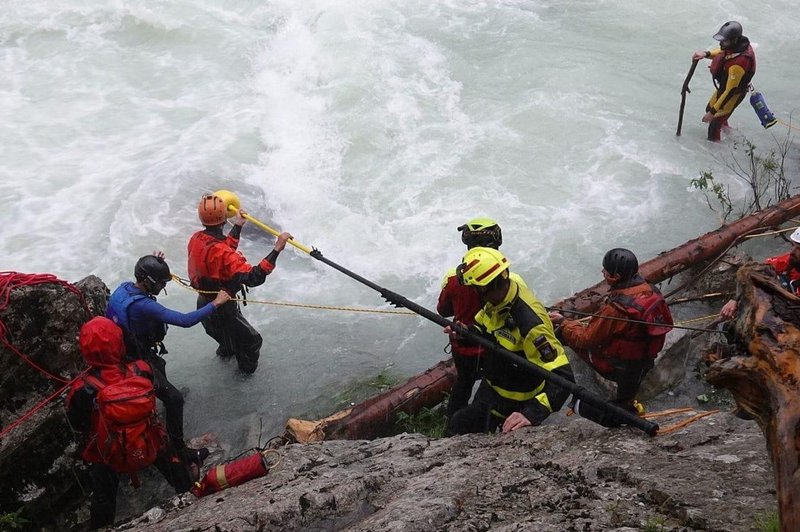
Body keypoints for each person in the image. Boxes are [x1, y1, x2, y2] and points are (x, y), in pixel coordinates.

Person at [66, 317, 195, 529]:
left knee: (102, 495)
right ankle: (193, 492)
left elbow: (78, 424)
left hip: (108, 452)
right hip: (148, 439)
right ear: (119, 342)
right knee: (175, 469)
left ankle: (102, 526)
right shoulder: (141, 369)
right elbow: (167, 397)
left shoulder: (82, 389)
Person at [106, 252, 230, 462]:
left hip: (130, 350)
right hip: (135, 358)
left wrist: (154, 263)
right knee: (175, 399)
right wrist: (216, 303)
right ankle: (179, 450)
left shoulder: (125, 288)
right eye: (161, 282)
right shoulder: (143, 306)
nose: (163, 287)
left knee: (159, 364)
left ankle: (158, 404)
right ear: (149, 282)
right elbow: (184, 320)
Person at [445, 247, 574, 435]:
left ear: (483, 288)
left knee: (459, 425)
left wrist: (531, 413)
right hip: (492, 387)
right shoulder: (497, 301)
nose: (473, 292)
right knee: (460, 424)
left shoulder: (530, 324)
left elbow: (564, 378)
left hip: (515, 401)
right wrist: (466, 333)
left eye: (474, 288)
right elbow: (485, 328)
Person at [549, 248, 672, 426]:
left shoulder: (616, 310)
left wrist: (564, 322)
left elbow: (585, 339)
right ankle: (626, 405)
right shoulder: (651, 291)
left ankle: (577, 403)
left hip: (616, 367)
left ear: (614, 277)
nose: (602, 273)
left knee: (564, 334)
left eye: (605, 271)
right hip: (641, 366)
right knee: (624, 401)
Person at [187, 193, 292, 374]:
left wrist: (238, 225)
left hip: (204, 305)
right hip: (222, 309)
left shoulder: (196, 238)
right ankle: (244, 378)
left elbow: (221, 251)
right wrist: (277, 249)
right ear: (223, 219)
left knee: (227, 343)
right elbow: (254, 277)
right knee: (251, 342)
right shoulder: (222, 252)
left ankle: (226, 354)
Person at [436, 218, 503, 419]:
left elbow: (443, 310)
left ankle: (453, 421)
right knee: (493, 384)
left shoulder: (453, 278)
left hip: (462, 348)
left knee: (463, 382)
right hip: (494, 347)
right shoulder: (504, 275)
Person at [692, 21, 756, 142]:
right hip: (725, 88)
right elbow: (722, 52)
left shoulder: (739, 64)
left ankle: (717, 152)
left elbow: (729, 91)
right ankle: (726, 128)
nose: (721, 43)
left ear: (735, 40)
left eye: (724, 40)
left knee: (713, 126)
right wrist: (706, 54)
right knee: (709, 109)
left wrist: (712, 113)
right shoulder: (735, 47)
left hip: (733, 94)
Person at [719, 228, 800, 320]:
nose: (792, 251)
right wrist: (735, 299)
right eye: (793, 245)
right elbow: (754, 272)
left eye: (798, 249)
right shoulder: (787, 261)